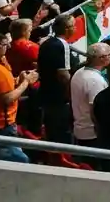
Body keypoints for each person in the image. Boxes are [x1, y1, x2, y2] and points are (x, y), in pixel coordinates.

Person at [0, 32, 37, 163]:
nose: (8, 48)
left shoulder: (0, 67)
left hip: (0, 126)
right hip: (1, 126)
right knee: (21, 161)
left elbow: (0, 88)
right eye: (6, 45)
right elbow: (7, 98)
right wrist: (26, 82)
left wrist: (18, 80)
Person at [37, 13, 76, 143]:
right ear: (67, 29)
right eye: (74, 26)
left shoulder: (46, 43)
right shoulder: (62, 45)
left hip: (45, 93)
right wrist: (72, 93)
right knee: (62, 131)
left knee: (51, 129)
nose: (75, 28)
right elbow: (63, 74)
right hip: (59, 97)